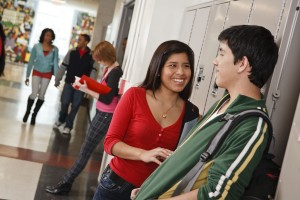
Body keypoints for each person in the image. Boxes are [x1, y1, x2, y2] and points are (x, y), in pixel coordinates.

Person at [132, 25, 279, 200]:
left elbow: (218, 193)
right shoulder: (226, 102)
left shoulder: (253, 125)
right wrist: (150, 188)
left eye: (222, 53)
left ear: (242, 63)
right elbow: (187, 160)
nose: (215, 61)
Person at [92, 40, 200, 200]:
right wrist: (143, 154)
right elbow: (110, 143)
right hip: (115, 186)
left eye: (186, 66)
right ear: (158, 69)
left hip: (152, 193)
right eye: (173, 65)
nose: (181, 72)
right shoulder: (135, 95)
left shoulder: (191, 113)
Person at [45, 41, 123, 194]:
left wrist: (85, 88)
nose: (99, 62)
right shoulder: (110, 69)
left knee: (85, 151)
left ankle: (66, 183)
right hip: (103, 114)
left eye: (100, 59)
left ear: (107, 56)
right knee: (85, 150)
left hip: (106, 115)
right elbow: (106, 92)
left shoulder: (115, 72)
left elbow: (106, 98)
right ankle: (66, 182)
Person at [54, 33, 95, 135]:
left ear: (86, 42)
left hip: (81, 86)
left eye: (81, 40)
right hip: (69, 82)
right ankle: (61, 119)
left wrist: (89, 88)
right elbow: (63, 66)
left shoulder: (91, 56)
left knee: (75, 106)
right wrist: (57, 79)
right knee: (64, 102)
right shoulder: (71, 52)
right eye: (78, 39)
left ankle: (68, 126)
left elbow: (93, 72)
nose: (78, 41)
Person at [23, 28, 59, 125]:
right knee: (34, 93)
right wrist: (27, 75)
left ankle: (34, 115)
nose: (48, 37)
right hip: (37, 71)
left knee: (42, 95)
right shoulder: (36, 47)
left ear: (52, 37)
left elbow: (55, 63)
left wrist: (57, 78)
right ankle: (27, 112)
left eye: (50, 36)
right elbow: (31, 61)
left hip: (47, 73)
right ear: (43, 35)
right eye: (46, 35)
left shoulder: (55, 49)